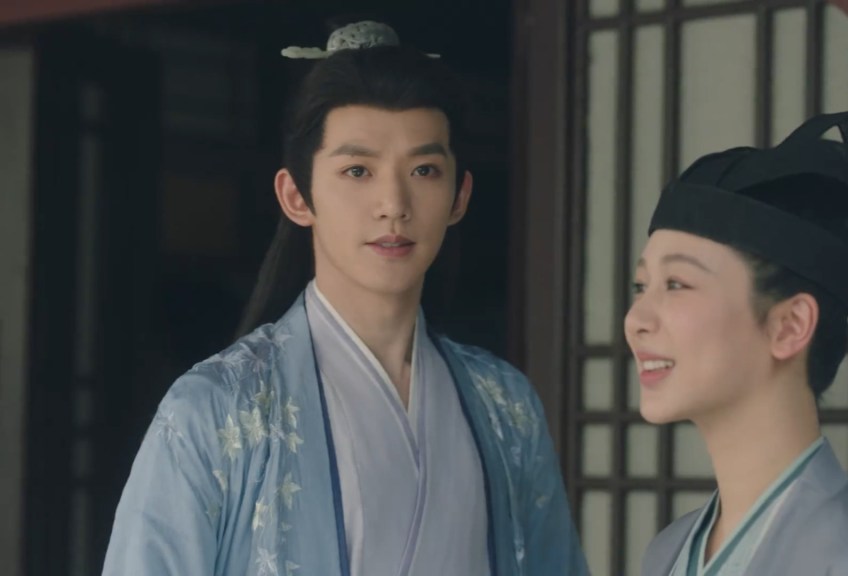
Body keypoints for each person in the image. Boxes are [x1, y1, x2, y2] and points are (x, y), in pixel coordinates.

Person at [102, 21, 587, 576]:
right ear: (296, 196)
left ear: (459, 196)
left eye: (424, 170)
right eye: (358, 170)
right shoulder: (217, 407)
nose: (393, 203)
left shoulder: (505, 405)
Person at [628, 106, 848, 575]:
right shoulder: (668, 551)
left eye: (676, 284)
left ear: (790, 325)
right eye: (641, 287)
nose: (636, 320)